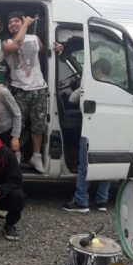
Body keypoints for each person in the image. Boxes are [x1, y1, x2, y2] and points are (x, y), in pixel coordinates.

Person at [55, 43, 112, 213]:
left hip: (90, 130)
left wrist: (80, 86)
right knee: (106, 166)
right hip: (110, 133)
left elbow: (72, 99)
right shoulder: (114, 88)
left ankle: (81, 201)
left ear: (97, 70)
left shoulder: (89, 86)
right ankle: (102, 201)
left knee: (84, 166)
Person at [2, 12, 47, 173]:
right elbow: (16, 45)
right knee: (17, 125)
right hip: (18, 88)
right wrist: (26, 24)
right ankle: (17, 154)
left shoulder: (35, 39)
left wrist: (58, 47)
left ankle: (36, 156)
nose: (13, 24)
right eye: (10, 22)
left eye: (16, 21)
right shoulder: (7, 42)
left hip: (39, 88)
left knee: (38, 125)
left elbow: (45, 50)